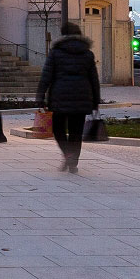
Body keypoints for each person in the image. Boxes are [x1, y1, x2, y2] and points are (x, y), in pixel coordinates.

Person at [37, 21, 101, 172]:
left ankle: (67, 154)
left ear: (63, 35)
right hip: (82, 97)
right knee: (76, 132)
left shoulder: (56, 52)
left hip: (59, 97)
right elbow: (94, 79)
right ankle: (73, 161)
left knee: (58, 129)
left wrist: (40, 96)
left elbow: (46, 76)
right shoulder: (87, 54)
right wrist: (96, 101)